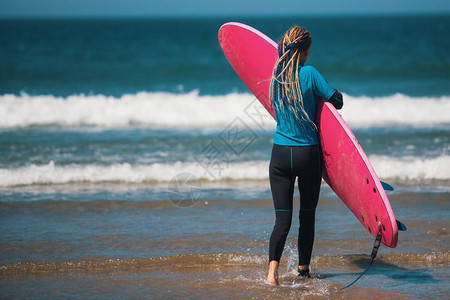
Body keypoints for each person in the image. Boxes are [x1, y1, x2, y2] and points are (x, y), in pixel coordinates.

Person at [267, 26, 343, 285]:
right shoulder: (309, 73)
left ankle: (271, 274)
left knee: (282, 220)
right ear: (305, 50)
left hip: (279, 156)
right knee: (306, 215)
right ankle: (303, 271)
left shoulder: (276, 77)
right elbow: (337, 100)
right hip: (307, 154)